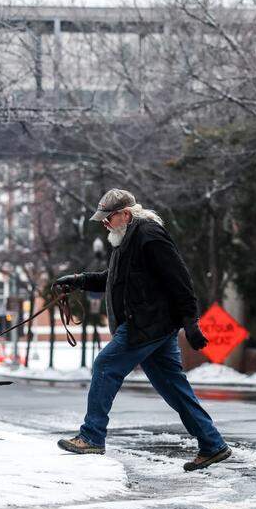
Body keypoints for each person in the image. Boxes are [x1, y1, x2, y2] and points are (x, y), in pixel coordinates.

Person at [53, 189, 231, 472]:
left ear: (125, 213)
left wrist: (191, 320)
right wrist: (79, 280)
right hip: (150, 327)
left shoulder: (149, 235)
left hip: (145, 325)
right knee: (174, 388)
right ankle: (212, 444)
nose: (105, 224)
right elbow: (112, 280)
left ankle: (92, 435)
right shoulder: (126, 240)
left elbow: (180, 279)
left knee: (105, 365)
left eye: (108, 218)